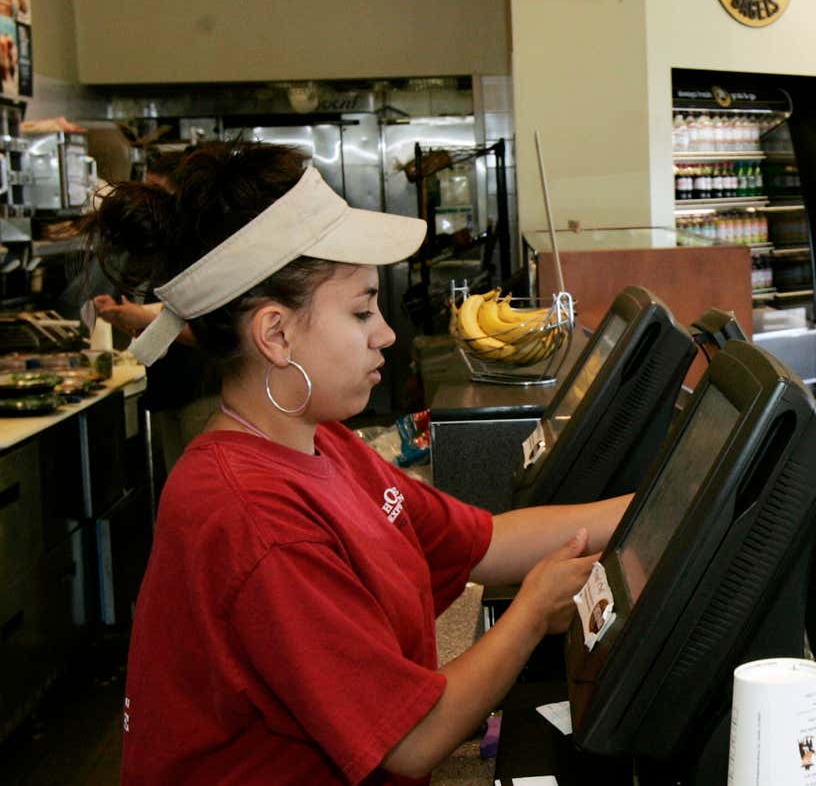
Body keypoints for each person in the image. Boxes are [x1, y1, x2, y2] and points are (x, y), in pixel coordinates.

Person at [92, 140, 629, 784]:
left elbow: (482, 541)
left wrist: (661, 507)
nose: (386, 333)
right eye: (360, 310)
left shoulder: (322, 442)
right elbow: (409, 737)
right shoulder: (252, 516)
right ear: (275, 334)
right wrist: (531, 611)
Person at [88, 146, 216, 478]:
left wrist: (142, 319)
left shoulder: (200, 244)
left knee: (200, 493)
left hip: (200, 391)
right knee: (182, 490)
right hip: (169, 390)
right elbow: (174, 315)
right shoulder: (165, 245)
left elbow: (212, 331)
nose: (148, 201)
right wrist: (128, 318)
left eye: (156, 192)